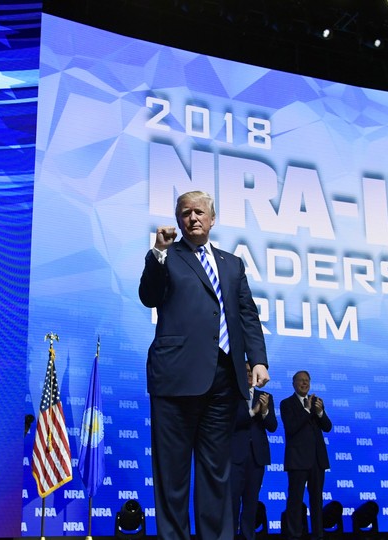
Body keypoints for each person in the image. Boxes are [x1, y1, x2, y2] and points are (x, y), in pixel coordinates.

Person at [139, 190, 270, 540]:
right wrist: (158, 253)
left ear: (212, 219)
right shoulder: (168, 256)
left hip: (224, 380)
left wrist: (257, 359)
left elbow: (246, 314)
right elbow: (149, 296)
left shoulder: (232, 264)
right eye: (185, 213)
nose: (192, 218)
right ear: (179, 220)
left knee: (217, 474)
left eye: (199, 212)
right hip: (175, 378)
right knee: (173, 475)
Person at [281, 371, 332, 540]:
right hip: (297, 460)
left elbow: (327, 427)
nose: (304, 383)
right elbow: (291, 428)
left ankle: (318, 534)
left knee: (317, 501)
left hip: (317, 460)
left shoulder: (316, 402)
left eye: (307, 380)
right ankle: (294, 535)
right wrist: (307, 410)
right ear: (293, 383)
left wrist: (319, 413)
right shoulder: (286, 403)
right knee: (295, 501)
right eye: (300, 380)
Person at [232, 364, 278, 540]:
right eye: (245, 372)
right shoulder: (231, 395)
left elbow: (272, 426)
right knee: (233, 501)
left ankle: (247, 536)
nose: (250, 375)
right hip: (235, 457)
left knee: (251, 502)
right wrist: (253, 412)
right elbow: (230, 423)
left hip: (257, 458)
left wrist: (265, 412)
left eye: (252, 372)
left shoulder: (266, 397)